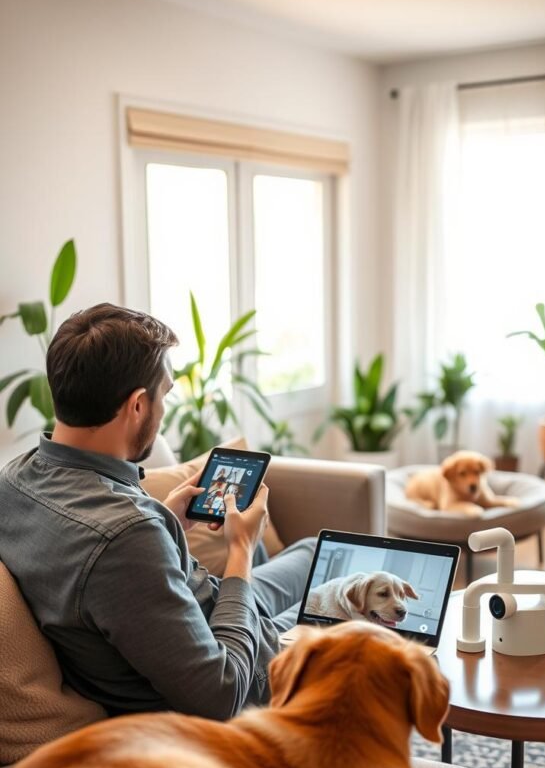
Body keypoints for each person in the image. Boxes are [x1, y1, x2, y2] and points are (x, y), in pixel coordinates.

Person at [0, 303, 315, 720]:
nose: (164, 409)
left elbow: (109, 579)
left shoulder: (14, 480)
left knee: (312, 552)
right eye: (164, 394)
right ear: (137, 406)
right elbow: (220, 696)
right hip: (252, 677)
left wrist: (168, 522)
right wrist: (240, 549)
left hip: (198, 613)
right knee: (358, 602)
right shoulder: (128, 536)